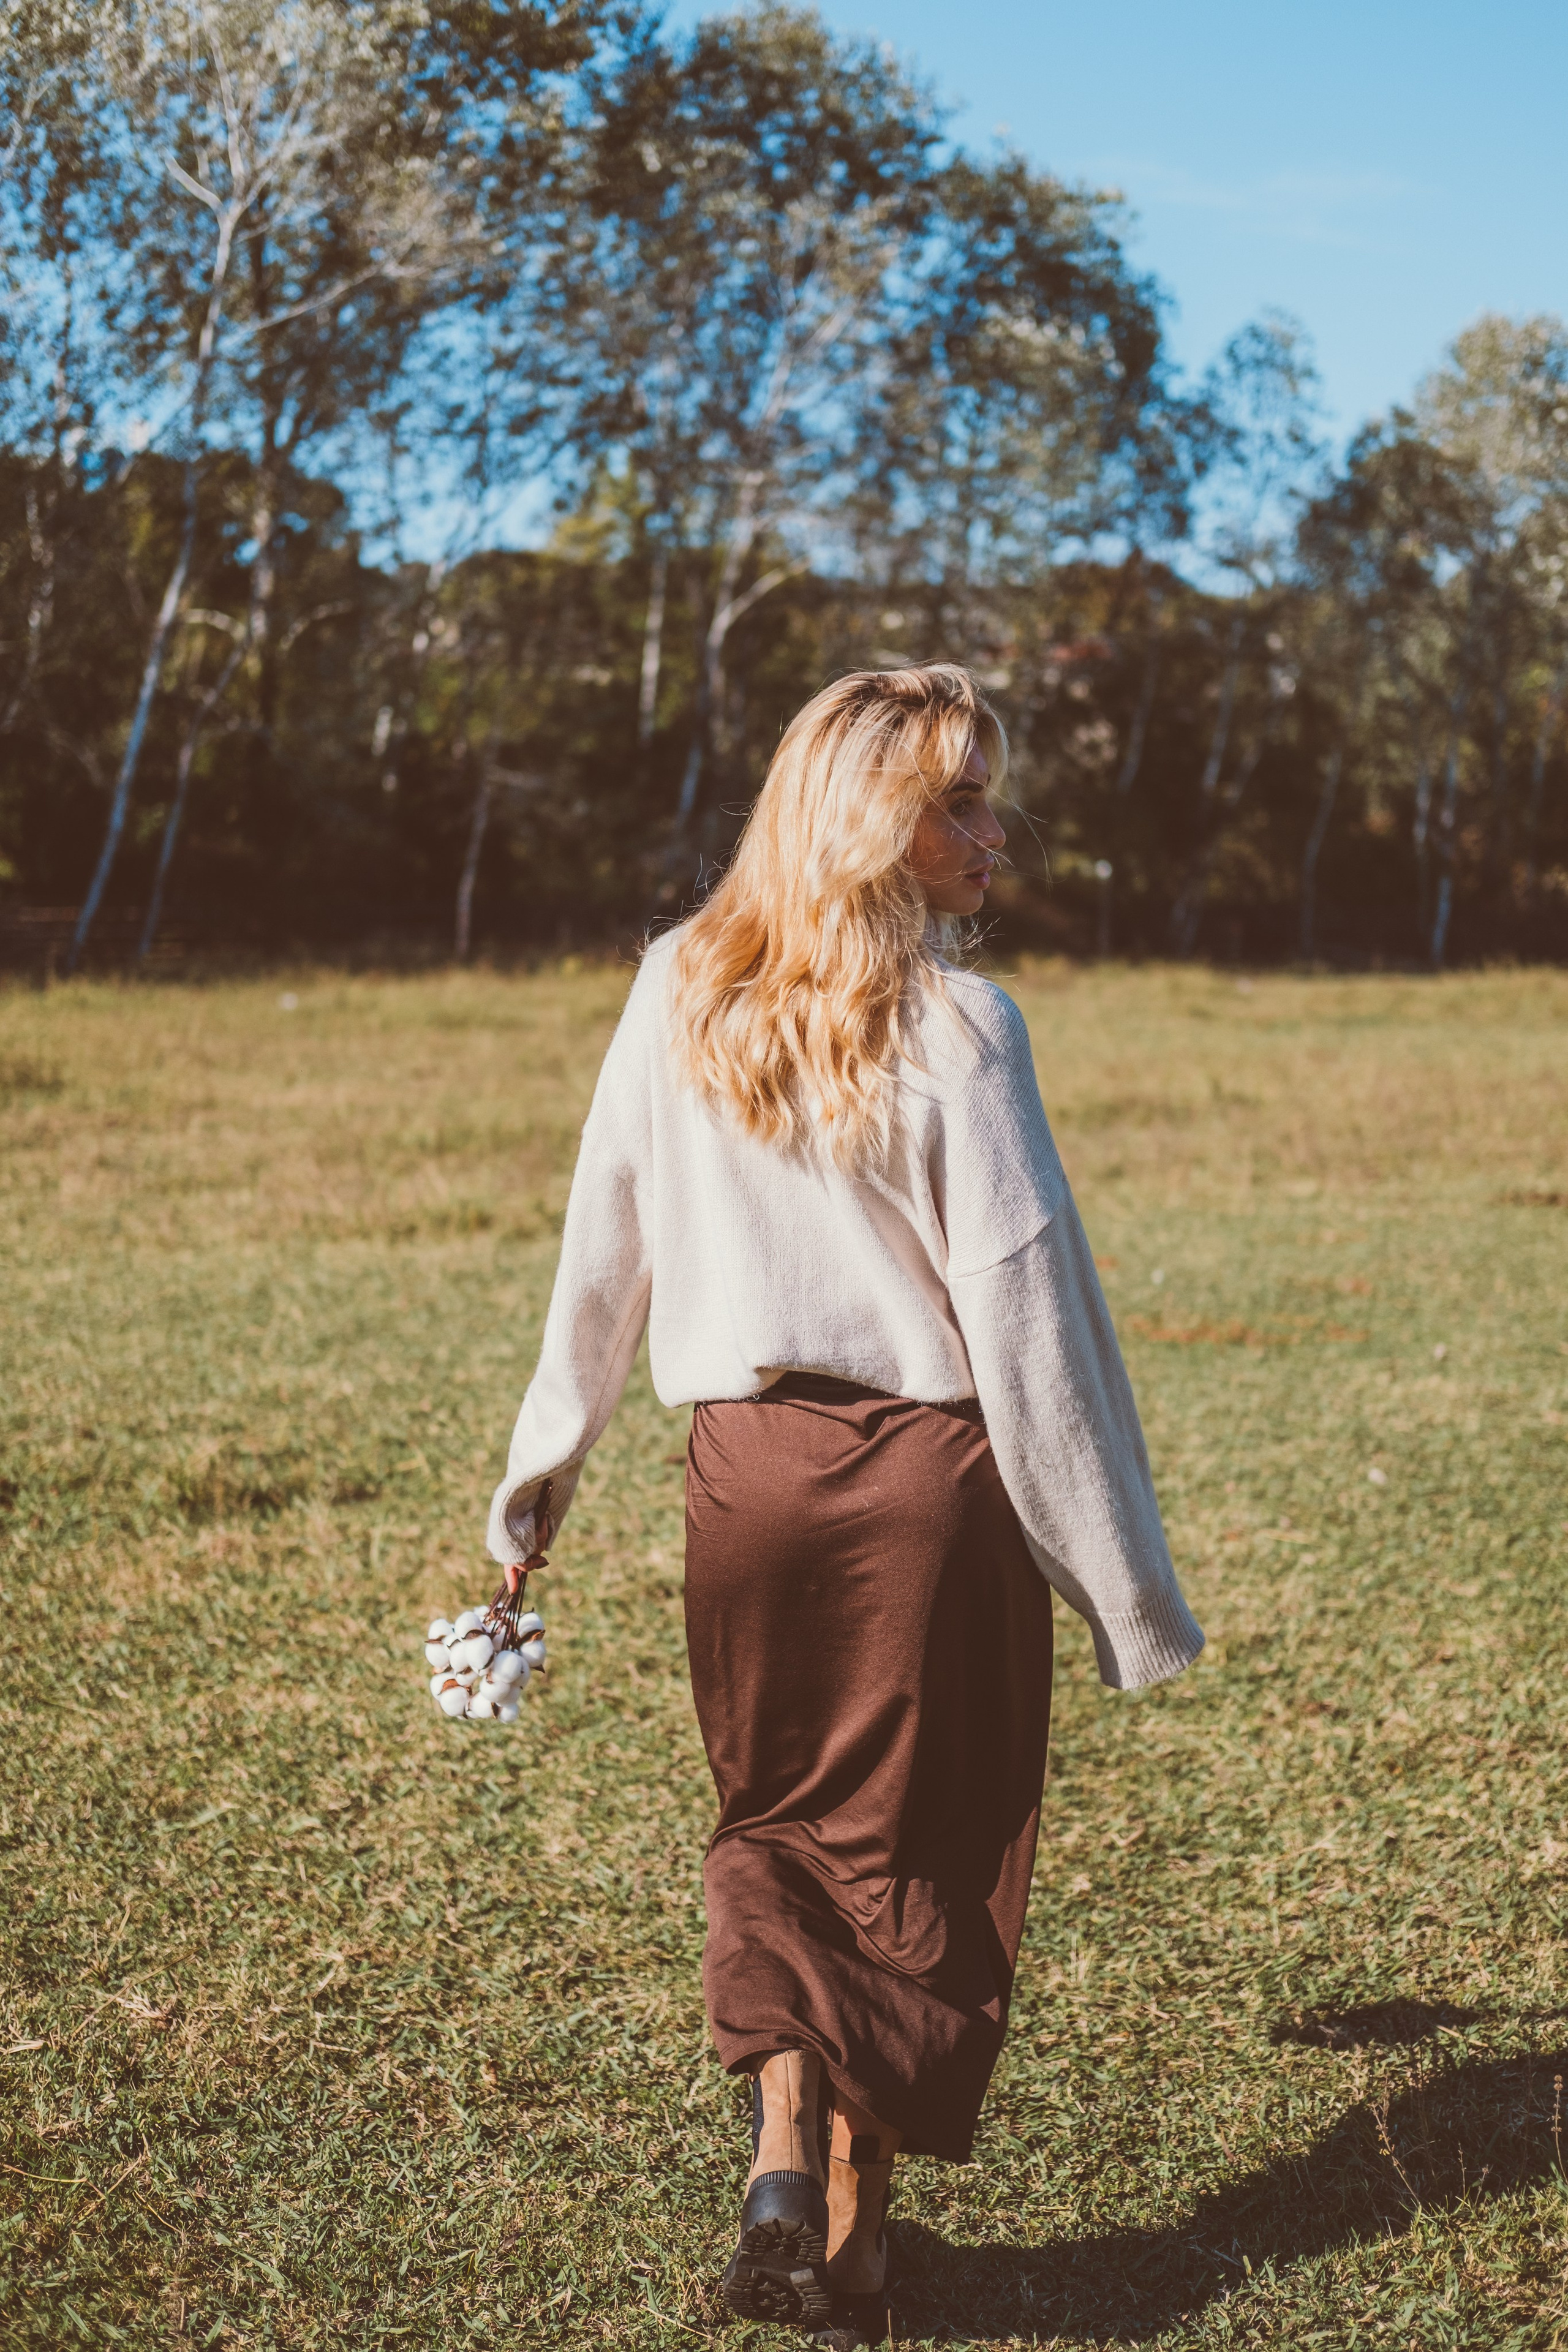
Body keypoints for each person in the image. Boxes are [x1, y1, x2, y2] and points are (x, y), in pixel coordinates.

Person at [488, 665, 1204, 2348]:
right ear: (874, 827)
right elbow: (1026, 1317)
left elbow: (605, 1257)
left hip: (741, 1483)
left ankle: (778, 2165)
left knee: (778, 1825)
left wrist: (536, 1492)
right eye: (959, 804)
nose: (992, 833)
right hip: (925, 1493)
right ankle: (864, 2252)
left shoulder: (678, 987)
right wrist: (1123, 1587)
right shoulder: (966, 1029)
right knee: (924, 1848)